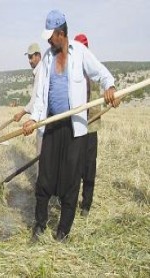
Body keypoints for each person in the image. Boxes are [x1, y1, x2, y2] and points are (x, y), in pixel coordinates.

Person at [23, 10, 119, 242]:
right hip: (52, 125)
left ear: (61, 33)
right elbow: (40, 98)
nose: (48, 40)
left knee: (70, 180)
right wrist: (34, 119)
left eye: (51, 36)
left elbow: (102, 73)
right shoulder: (47, 58)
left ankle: (63, 231)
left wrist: (111, 88)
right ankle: (40, 224)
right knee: (44, 177)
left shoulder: (80, 53)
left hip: (75, 128)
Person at [74, 33, 100, 217]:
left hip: (91, 127)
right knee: (74, 165)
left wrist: (114, 96)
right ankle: (70, 200)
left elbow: (109, 87)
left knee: (89, 167)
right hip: (76, 126)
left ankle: (86, 204)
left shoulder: (96, 71)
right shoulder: (73, 72)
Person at [13, 43, 43, 154]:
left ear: (38, 55)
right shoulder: (40, 70)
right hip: (42, 119)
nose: (29, 61)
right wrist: (22, 114)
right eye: (28, 58)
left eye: (31, 57)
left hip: (43, 121)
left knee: (41, 156)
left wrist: (22, 114)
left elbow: (36, 99)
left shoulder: (41, 72)